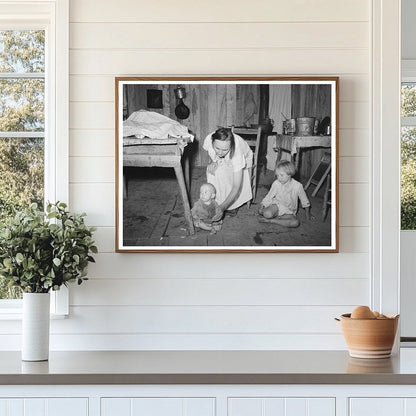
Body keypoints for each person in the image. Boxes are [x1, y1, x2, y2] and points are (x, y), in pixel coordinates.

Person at [203, 127, 253, 219]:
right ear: (212, 142)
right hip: (225, 156)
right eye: (217, 148)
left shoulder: (237, 152)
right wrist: (213, 161)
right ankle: (215, 200)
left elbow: (236, 187)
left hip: (245, 158)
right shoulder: (208, 139)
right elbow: (210, 152)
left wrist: (222, 208)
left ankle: (232, 206)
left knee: (227, 175)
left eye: (225, 150)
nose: (221, 152)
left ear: (231, 146)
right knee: (211, 171)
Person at [258, 160, 312, 227]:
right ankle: (277, 217)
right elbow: (269, 196)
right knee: (266, 214)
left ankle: (272, 221)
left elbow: (305, 201)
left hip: (289, 211)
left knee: (295, 223)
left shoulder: (298, 186)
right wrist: (262, 205)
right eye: (277, 175)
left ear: (289, 174)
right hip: (277, 206)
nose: (279, 178)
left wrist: (308, 214)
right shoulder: (276, 183)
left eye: (281, 175)